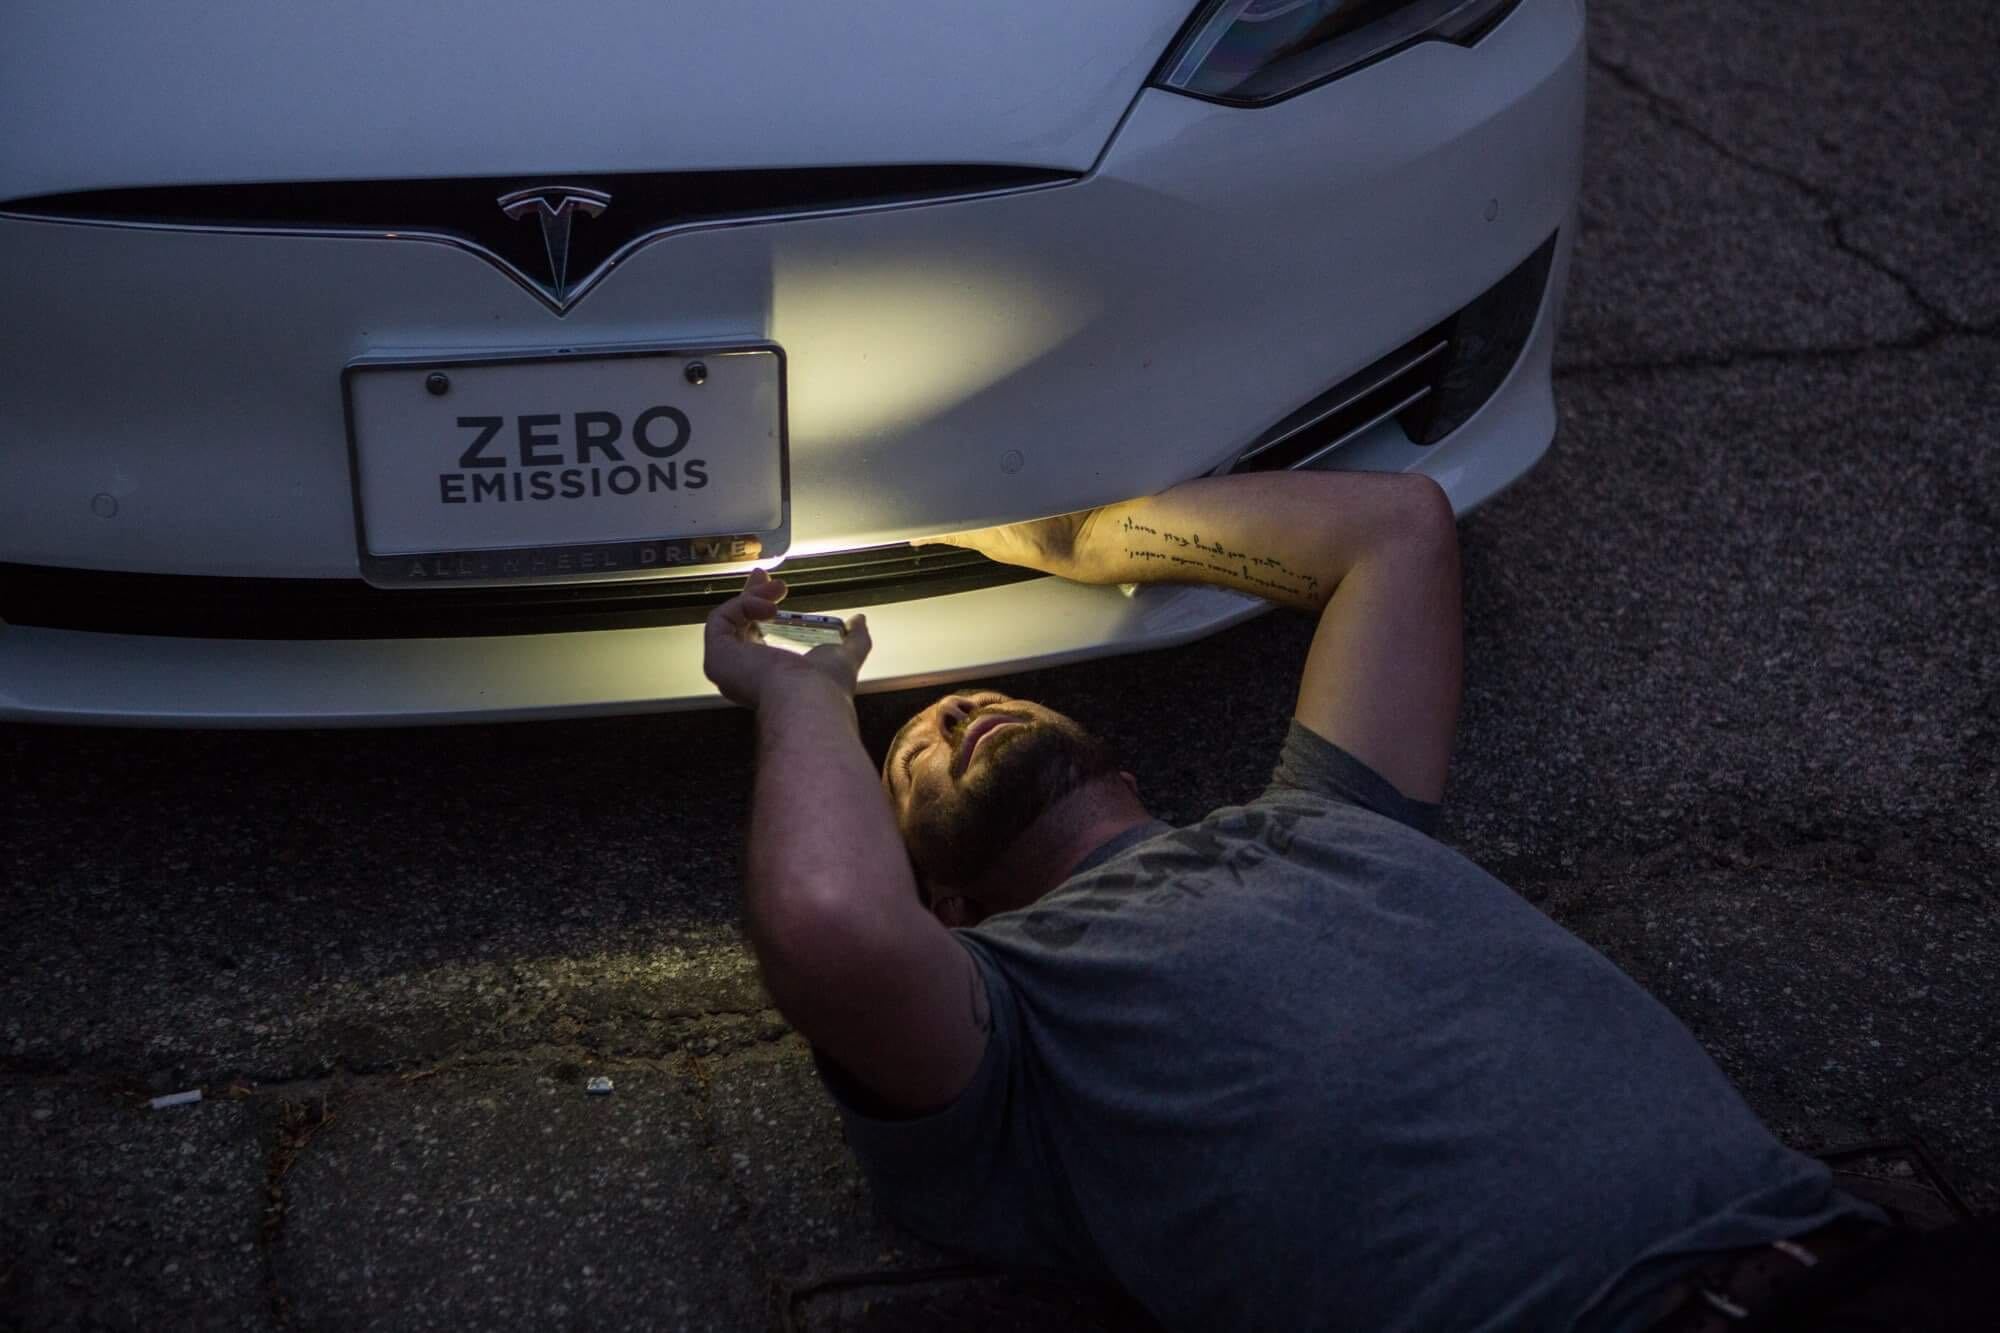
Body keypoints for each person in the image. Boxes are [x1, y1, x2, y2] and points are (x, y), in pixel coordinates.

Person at [701, 471, 1975, 1332]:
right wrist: (805, 692)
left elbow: (1395, 532)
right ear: (945, 898)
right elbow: (828, 923)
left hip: (1876, 1257)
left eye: (957, 703)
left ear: (1126, 768)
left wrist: (1054, 533)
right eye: (908, 756)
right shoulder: (1007, 1027)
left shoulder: (1331, 818)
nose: (949, 713)